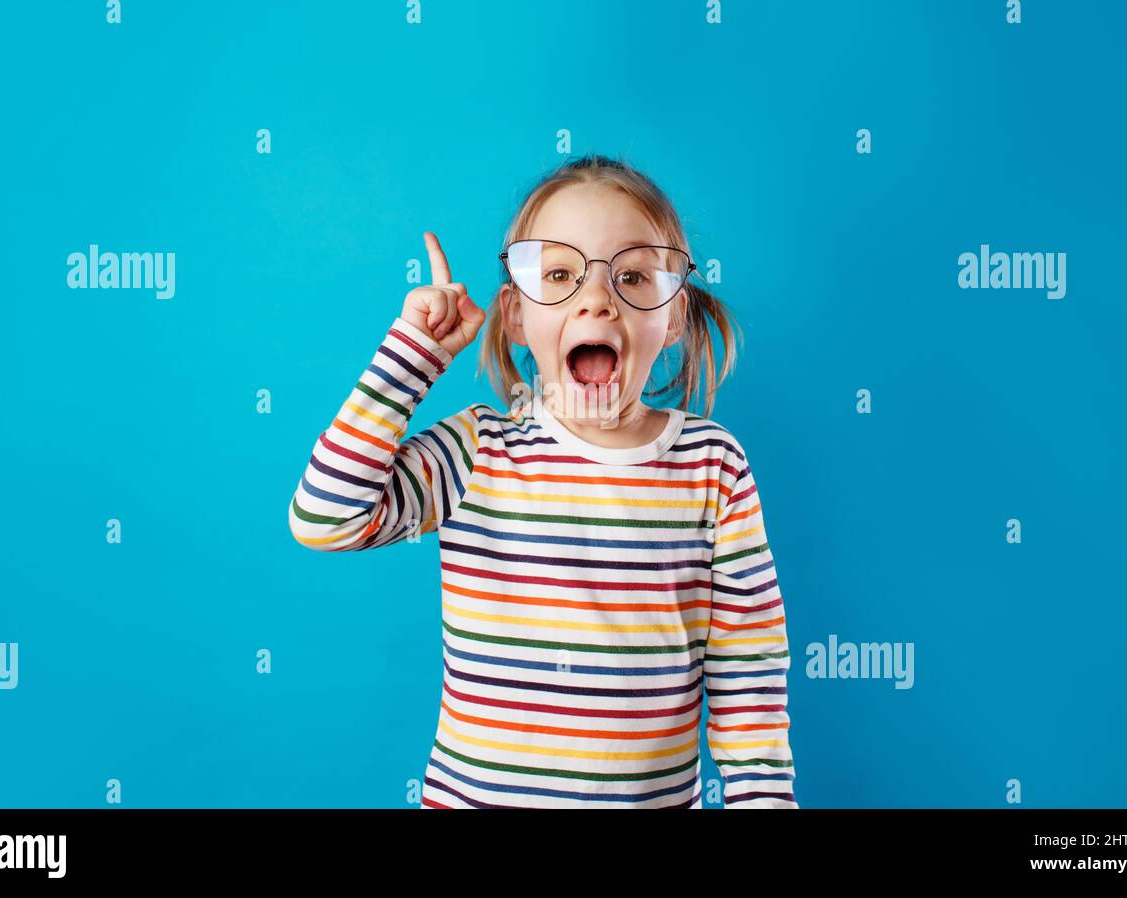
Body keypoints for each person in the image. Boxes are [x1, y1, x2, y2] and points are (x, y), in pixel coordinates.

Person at [289, 153, 796, 808]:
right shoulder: (476, 453)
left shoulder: (711, 466)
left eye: (635, 276)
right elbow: (326, 518)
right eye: (559, 273)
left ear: (672, 316)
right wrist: (414, 356)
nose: (596, 300)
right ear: (516, 315)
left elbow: (748, 681)